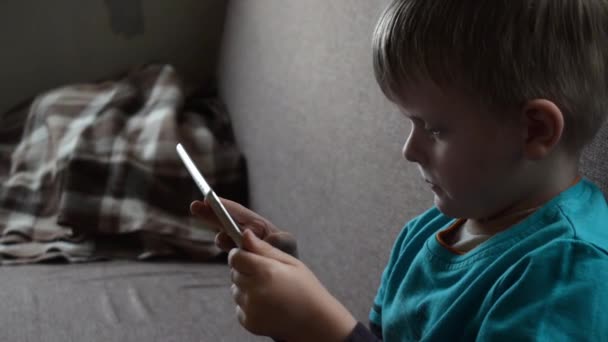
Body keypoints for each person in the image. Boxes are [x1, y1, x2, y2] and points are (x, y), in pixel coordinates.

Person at [191, 0, 608, 340]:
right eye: (409, 123)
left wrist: (323, 331)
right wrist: (290, 297)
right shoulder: (425, 232)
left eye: (434, 128)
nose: (409, 150)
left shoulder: (567, 275)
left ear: (534, 130)